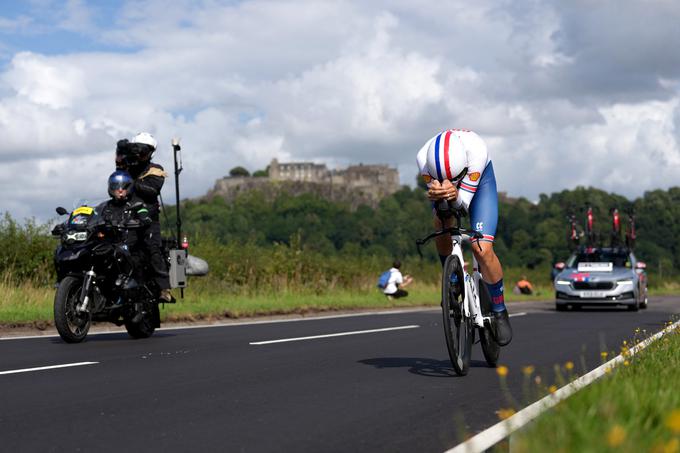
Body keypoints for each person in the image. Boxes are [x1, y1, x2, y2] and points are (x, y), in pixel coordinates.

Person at [416, 129, 512, 346]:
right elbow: (446, 208)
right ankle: (451, 279)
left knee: (481, 249)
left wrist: (455, 194)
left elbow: (462, 207)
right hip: (446, 183)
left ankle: (499, 309)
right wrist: (439, 193)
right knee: (441, 222)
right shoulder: (424, 159)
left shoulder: (476, 153)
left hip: (479, 185)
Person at [115, 132, 173, 302]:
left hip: (147, 218)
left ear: (150, 152)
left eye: (143, 150)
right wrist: (120, 150)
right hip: (124, 216)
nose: (139, 153)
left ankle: (164, 289)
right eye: (137, 149)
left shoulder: (155, 169)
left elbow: (153, 190)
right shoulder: (126, 167)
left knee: (153, 249)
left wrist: (132, 181)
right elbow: (115, 182)